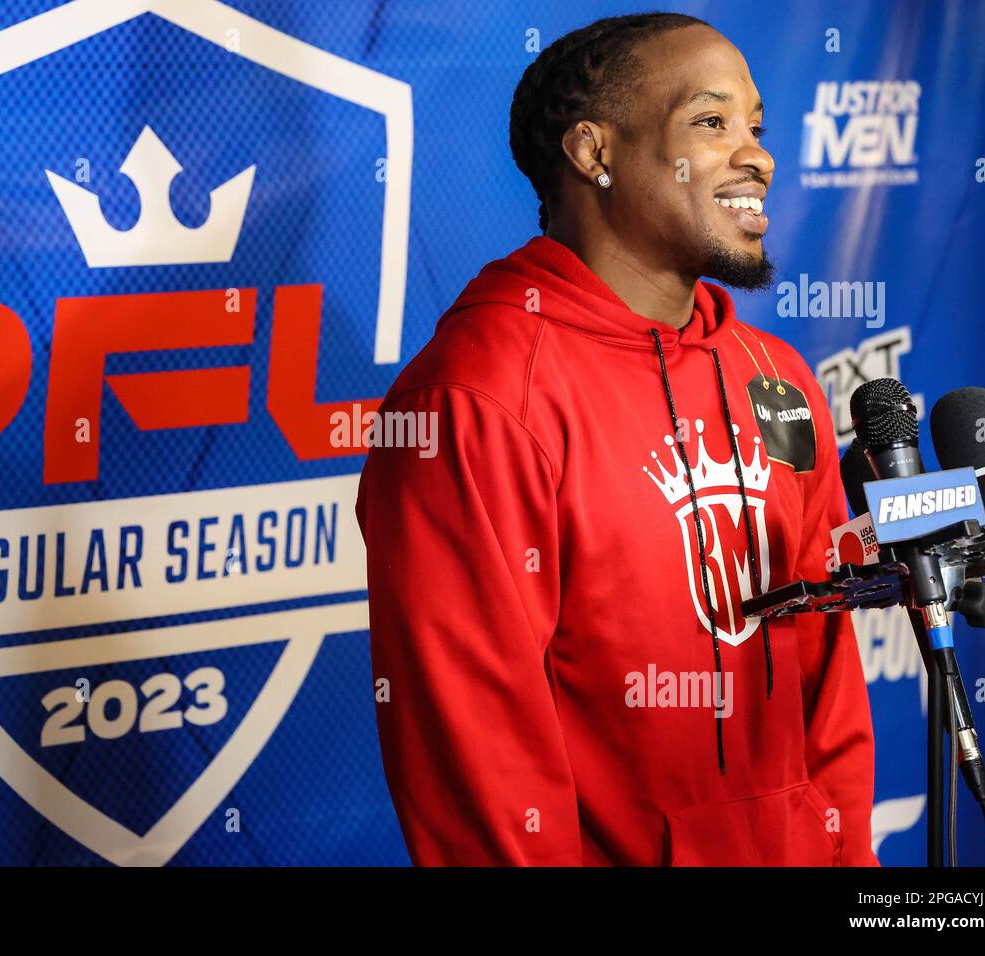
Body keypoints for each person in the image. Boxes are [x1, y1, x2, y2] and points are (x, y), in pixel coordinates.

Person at [355, 12, 878, 866]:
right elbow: (478, 769)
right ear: (592, 153)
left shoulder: (773, 375)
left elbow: (827, 690)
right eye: (711, 124)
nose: (758, 157)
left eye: (756, 126)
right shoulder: (476, 399)